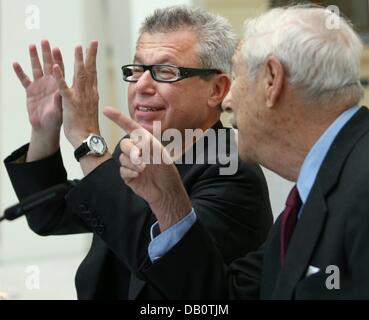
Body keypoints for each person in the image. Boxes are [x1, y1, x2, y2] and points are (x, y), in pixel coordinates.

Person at [4, 6, 273, 299]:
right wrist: (44, 130)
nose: (142, 86)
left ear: (217, 90)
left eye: (165, 72)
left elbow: (163, 261)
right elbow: (49, 215)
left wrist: (87, 142)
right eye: (137, 70)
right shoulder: (136, 150)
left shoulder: (231, 170)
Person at [104, 4, 369, 299]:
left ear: (272, 79)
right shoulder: (306, 202)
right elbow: (226, 297)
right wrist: (169, 203)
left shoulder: (361, 184)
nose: (227, 101)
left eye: (239, 77)